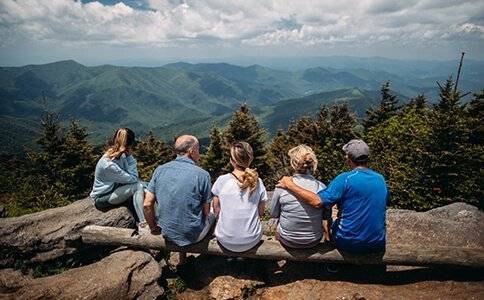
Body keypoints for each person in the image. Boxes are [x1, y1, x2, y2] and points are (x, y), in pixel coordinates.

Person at [277, 139, 389, 254]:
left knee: (334, 224)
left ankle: (333, 262)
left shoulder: (345, 179)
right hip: (377, 242)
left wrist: (290, 185)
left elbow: (317, 202)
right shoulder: (380, 179)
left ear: (348, 158)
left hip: (349, 242)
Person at [142, 135, 215, 249]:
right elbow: (206, 212)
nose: (199, 154)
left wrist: (153, 227)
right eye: (198, 150)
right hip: (193, 236)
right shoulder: (202, 175)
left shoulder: (160, 170)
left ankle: (182, 260)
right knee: (212, 214)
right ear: (191, 151)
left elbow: (147, 204)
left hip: (167, 233)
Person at [270, 145, 331, 248]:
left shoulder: (282, 186)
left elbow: (274, 214)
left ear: (293, 164)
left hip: (288, 240)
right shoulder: (321, 187)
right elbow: (326, 215)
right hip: (313, 240)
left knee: (278, 224)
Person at [211, 141, 268, 252]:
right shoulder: (258, 182)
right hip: (252, 239)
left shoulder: (221, 181)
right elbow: (260, 213)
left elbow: (216, 210)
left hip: (225, 239)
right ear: (250, 159)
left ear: (232, 161)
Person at [90, 128, 145, 217]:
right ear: (130, 145)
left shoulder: (119, 155)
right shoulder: (109, 164)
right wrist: (129, 157)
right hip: (102, 198)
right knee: (138, 186)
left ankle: (157, 219)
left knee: (147, 187)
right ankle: (144, 223)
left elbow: (130, 178)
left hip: (115, 190)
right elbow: (134, 179)